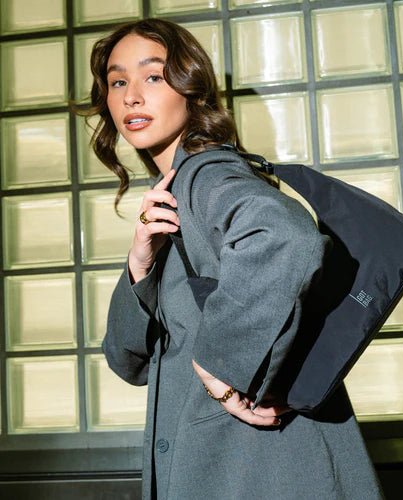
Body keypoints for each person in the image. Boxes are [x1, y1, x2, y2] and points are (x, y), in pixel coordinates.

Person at [89, 18, 384, 500]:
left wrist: (221, 370)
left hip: (263, 468)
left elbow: (287, 237)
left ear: (191, 88)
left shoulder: (206, 175)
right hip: (232, 466)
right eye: (118, 82)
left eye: (154, 76)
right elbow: (128, 362)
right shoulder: (171, 198)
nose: (131, 97)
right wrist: (140, 264)